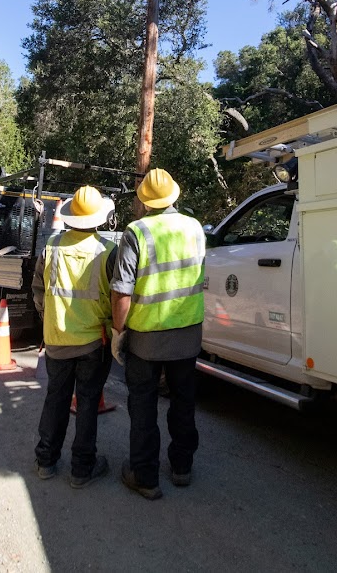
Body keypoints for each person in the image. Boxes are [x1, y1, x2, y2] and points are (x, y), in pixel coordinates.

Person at [110, 168, 206, 500]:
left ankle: (145, 475)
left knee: (143, 405)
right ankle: (182, 467)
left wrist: (117, 331)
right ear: (175, 196)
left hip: (147, 337)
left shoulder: (136, 232)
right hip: (188, 334)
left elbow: (122, 293)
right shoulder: (195, 227)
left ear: (145, 201)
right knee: (183, 401)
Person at [33, 185, 117, 488]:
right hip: (95, 341)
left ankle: (46, 460)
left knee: (55, 398)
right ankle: (82, 468)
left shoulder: (51, 247)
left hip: (57, 340)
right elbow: (117, 296)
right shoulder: (108, 251)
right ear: (100, 219)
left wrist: (50, 322)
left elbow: (39, 293)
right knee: (87, 401)